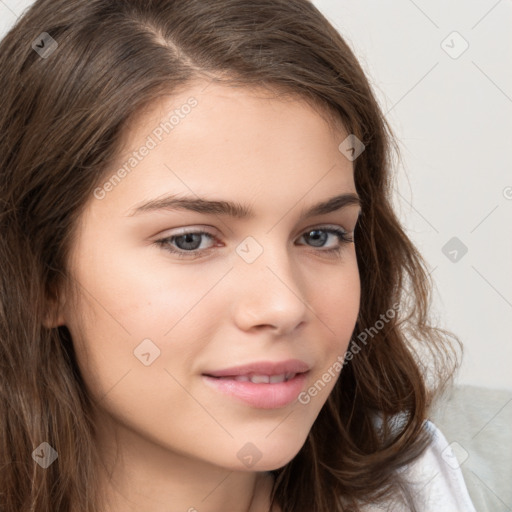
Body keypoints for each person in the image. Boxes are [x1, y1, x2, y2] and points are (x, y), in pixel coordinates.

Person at [0, 0, 476, 511]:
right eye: (190, 240)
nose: (284, 306)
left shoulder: (444, 481)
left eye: (320, 236)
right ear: (43, 277)